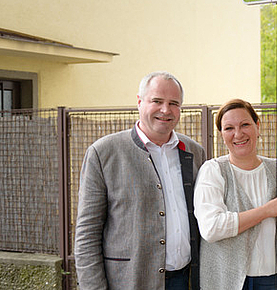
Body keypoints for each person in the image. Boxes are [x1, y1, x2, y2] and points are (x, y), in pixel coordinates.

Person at [74, 71, 206, 290]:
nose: (166, 110)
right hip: (129, 281)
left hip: (186, 280)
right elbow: (87, 233)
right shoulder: (104, 152)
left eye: (174, 103)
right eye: (157, 101)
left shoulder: (194, 152)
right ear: (139, 102)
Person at [193, 98, 277, 290]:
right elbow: (211, 228)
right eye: (229, 128)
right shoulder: (213, 170)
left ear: (257, 126)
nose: (238, 134)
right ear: (221, 134)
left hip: (272, 278)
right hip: (227, 280)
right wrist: (266, 211)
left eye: (245, 124)